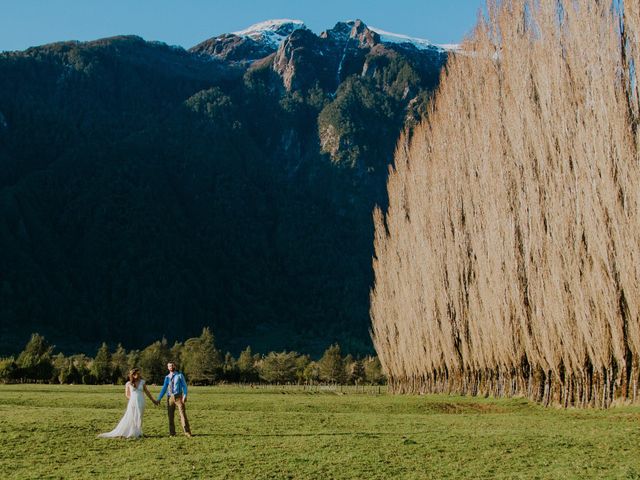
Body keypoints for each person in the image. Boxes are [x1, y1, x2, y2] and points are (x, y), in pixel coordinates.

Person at [98, 367, 159, 439]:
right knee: (131, 416)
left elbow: (147, 392)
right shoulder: (128, 384)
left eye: (139, 374)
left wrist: (153, 400)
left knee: (139, 416)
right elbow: (127, 394)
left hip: (141, 401)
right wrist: (132, 398)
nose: (138, 375)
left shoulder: (142, 382)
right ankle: (131, 432)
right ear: (132, 375)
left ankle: (138, 432)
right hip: (132, 402)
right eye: (136, 374)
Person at [157, 361, 192, 437]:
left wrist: (185, 395)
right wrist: (159, 398)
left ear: (174, 366)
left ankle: (187, 432)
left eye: (172, 365)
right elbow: (164, 388)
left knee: (182, 414)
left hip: (178, 397)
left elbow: (184, 386)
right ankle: (172, 433)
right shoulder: (167, 377)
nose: (171, 367)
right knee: (170, 416)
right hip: (170, 398)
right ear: (168, 368)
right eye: (169, 366)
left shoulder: (179, 375)